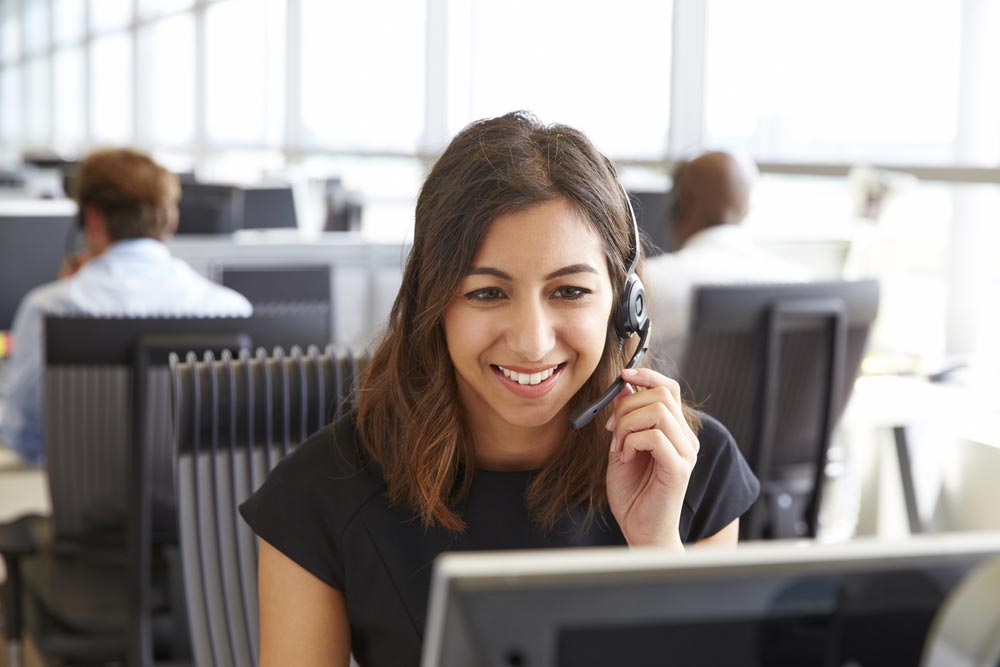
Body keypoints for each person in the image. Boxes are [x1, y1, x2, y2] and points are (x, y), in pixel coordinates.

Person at [240, 112, 759, 666]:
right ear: (432, 305)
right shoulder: (321, 494)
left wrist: (658, 548)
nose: (533, 343)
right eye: (487, 294)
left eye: (569, 291)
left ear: (624, 303)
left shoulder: (690, 470)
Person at [0, 148, 252, 465]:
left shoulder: (53, 307)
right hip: (196, 509)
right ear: (171, 218)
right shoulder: (228, 309)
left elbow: (23, 436)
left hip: (83, 507)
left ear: (89, 217)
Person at [644, 151, 810, 372]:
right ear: (746, 206)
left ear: (683, 204)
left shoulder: (650, 282)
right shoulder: (798, 283)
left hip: (678, 407)